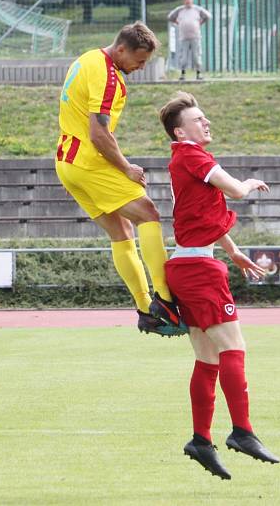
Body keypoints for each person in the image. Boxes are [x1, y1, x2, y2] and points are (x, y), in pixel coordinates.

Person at [158, 91, 280, 480]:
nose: (206, 123)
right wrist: (248, 182)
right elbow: (234, 191)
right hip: (198, 270)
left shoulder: (185, 159)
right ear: (180, 132)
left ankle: (200, 440)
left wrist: (233, 251)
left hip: (189, 263)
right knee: (234, 349)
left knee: (208, 358)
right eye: (199, 119)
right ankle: (242, 432)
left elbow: (203, 214)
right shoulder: (191, 155)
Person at [56, 22, 185, 337]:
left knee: (121, 231)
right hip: (88, 162)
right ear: (122, 49)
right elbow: (98, 133)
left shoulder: (86, 58)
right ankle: (165, 302)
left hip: (66, 163)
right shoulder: (108, 76)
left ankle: (146, 311)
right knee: (148, 214)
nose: (140, 68)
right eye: (139, 61)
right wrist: (127, 168)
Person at [167, 0, 212, 81]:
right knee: (183, 57)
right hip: (183, 37)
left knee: (196, 56)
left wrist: (200, 23)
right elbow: (170, 17)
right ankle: (183, 74)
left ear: (192, 0)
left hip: (195, 36)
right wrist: (178, 23)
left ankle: (199, 74)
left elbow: (208, 16)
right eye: (186, 0)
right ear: (184, 1)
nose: (188, 1)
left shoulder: (197, 9)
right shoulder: (180, 10)